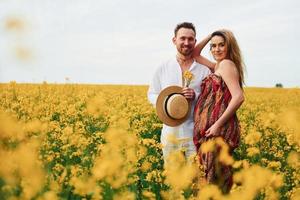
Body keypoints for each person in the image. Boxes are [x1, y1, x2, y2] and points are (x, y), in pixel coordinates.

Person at [147, 22, 210, 164]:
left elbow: (210, 101)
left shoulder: (204, 69)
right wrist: (169, 100)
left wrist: (196, 96)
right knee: (172, 178)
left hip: (194, 135)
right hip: (170, 135)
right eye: (182, 38)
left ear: (195, 41)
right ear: (174, 40)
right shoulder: (163, 67)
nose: (186, 43)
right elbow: (151, 94)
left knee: (195, 178)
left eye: (190, 39)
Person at [193, 29, 245, 193]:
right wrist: (213, 34)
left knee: (215, 180)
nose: (216, 49)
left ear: (229, 46)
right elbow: (195, 53)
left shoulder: (227, 65)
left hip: (219, 131)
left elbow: (238, 97)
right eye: (213, 46)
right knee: (214, 178)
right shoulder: (218, 65)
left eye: (221, 45)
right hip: (213, 132)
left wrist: (216, 125)